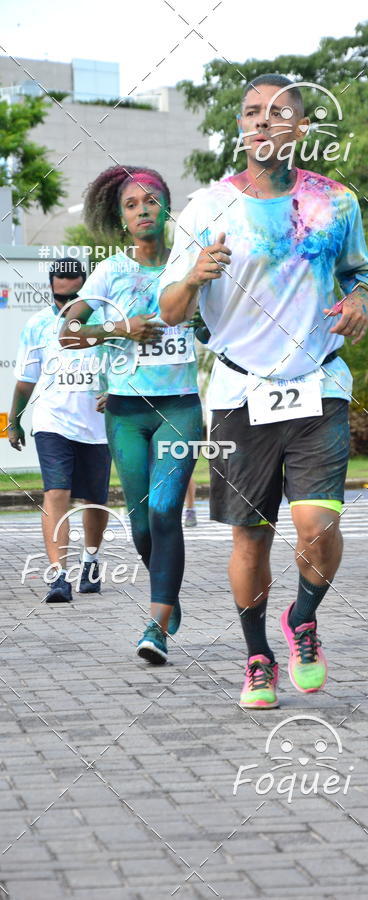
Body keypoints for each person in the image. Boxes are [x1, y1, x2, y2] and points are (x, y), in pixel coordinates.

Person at [159, 74, 368, 709]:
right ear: (241, 126)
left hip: (320, 382)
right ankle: (257, 655)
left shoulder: (336, 203)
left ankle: (302, 617)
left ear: (300, 129)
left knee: (317, 527)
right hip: (239, 391)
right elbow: (171, 310)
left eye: (277, 113)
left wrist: (359, 299)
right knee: (250, 538)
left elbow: (358, 273)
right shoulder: (205, 209)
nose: (261, 121)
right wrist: (195, 275)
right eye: (251, 112)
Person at [59, 165, 202, 664]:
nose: (143, 211)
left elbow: (212, 328)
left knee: (166, 510)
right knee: (142, 524)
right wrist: (121, 328)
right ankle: (169, 589)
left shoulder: (189, 264)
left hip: (180, 407)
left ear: (167, 208)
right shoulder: (110, 272)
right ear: (122, 219)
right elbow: (68, 330)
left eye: (152, 201)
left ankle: (156, 624)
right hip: (124, 411)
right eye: (132, 205)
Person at [9, 258, 110, 602]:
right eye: (59, 275)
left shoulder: (104, 323)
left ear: (84, 280)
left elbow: (124, 366)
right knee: (56, 494)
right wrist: (14, 420)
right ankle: (58, 577)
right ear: (51, 282)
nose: (65, 280)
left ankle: (91, 561)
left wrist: (114, 391)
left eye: (72, 275)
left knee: (94, 500)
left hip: (98, 427)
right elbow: (25, 381)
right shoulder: (38, 325)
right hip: (51, 423)